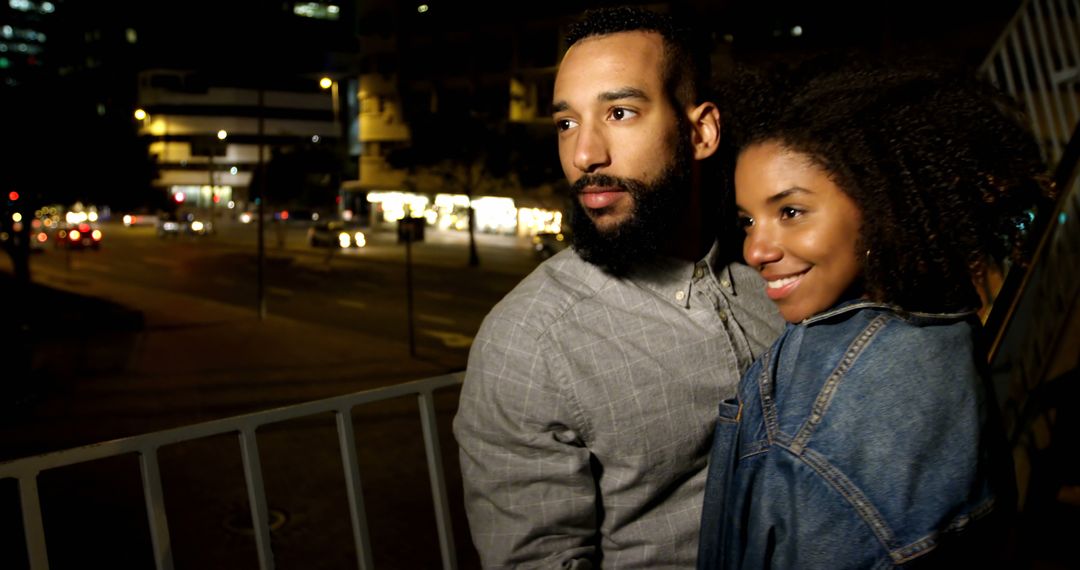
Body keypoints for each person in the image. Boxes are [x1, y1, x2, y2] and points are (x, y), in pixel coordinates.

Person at [452, 6, 785, 568]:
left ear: (700, 131)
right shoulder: (528, 345)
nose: (584, 155)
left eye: (620, 112)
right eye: (566, 123)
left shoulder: (781, 268)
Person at [696, 55, 1052, 568]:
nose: (755, 250)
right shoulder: (942, 323)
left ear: (877, 207)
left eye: (790, 212)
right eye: (748, 220)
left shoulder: (831, 401)